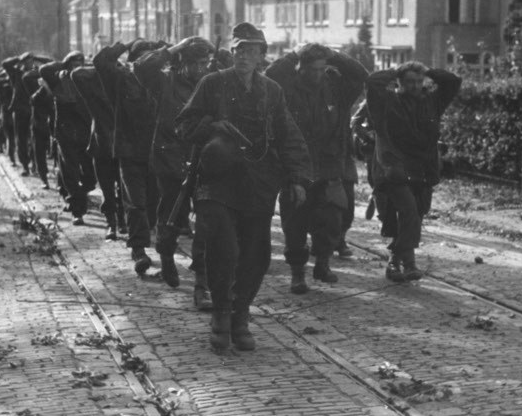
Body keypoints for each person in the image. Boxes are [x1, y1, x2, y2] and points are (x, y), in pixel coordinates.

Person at [174, 22, 311, 351]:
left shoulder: (271, 91)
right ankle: (221, 314)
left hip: (258, 184)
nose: (244, 57)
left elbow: (288, 135)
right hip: (217, 182)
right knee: (224, 249)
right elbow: (183, 125)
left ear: (262, 56)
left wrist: (296, 177)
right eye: (239, 50)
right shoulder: (212, 84)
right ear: (231, 53)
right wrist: (211, 126)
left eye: (251, 51)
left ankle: (240, 315)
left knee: (256, 254)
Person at [266, 44, 367, 294]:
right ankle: (297, 274)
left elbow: (360, 75)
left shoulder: (335, 89)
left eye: (323, 69)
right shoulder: (286, 90)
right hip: (296, 167)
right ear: (300, 68)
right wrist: (293, 53)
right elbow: (270, 75)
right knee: (295, 224)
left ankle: (322, 263)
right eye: (313, 69)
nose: (318, 74)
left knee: (333, 217)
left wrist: (334, 54)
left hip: (329, 166)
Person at [133, 36, 216, 311]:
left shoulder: (211, 81)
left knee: (206, 219)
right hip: (170, 156)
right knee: (171, 212)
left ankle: (202, 284)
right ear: (182, 63)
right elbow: (141, 68)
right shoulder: (165, 81)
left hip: (202, 157)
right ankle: (166, 254)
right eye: (196, 63)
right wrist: (173, 48)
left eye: (205, 62)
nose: (202, 68)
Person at [364, 61, 461, 282]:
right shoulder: (387, 102)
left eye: (419, 81)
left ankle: (402, 265)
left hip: (423, 169)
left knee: (415, 216)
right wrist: (395, 70)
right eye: (409, 81)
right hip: (395, 168)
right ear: (399, 82)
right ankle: (399, 263)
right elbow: (372, 81)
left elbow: (453, 82)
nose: (415, 86)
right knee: (409, 214)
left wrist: (428, 71)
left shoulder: (432, 102)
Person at [93, 40, 161, 275]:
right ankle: (139, 249)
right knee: (136, 203)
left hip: (156, 153)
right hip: (130, 152)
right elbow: (100, 62)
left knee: (153, 203)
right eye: (142, 58)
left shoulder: (161, 81)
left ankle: (146, 238)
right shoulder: (121, 80)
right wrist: (124, 44)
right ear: (134, 62)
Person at [70, 62, 127, 240]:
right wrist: (100, 66)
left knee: (124, 190)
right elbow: (77, 74)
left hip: (122, 148)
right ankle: (112, 224)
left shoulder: (124, 90)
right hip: (101, 147)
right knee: (107, 190)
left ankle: (123, 221)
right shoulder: (93, 93)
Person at [40, 52, 96, 225]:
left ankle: (79, 196)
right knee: (70, 173)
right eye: (74, 62)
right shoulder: (58, 79)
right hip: (66, 134)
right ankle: (77, 210)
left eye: (80, 62)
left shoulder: (87, 80)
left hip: (85, 134)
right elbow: (44, 69)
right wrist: (63, 64)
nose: (77, 65)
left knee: (91, 176)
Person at [2, 52, 52, 176]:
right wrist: (18, 57)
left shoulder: (37, 73)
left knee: (35, 140)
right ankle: (25, 166)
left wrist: (37, 57)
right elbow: (5, 64)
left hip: (34, 110)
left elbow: (50, 63)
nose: (28, 63)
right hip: (20, 111)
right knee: (21, 140)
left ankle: (35, 165)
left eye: (30, 60)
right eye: (26, 61)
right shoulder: (16, 73)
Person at [0, 69, 16, 163]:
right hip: (9, 113)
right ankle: (11, 155)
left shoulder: (1, 85)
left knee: (9, 136)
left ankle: (12, 156)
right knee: (11, 137)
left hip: (6, 113)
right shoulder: (14, 83)